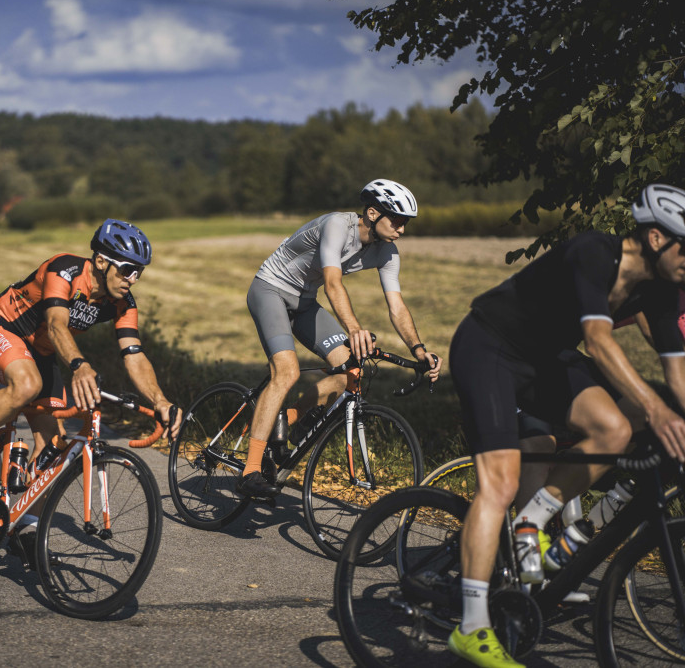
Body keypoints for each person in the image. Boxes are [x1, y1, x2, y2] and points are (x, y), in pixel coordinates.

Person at [447, 183, 685, 667]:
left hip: (543, 359)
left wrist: (667, 409)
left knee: (617, 429)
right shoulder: (594, 250)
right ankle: (471, 628)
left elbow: (677, 376)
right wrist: (659, 411)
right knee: (500, 483)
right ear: (657, 238)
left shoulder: (662, 292)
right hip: (488, 346)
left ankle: (532, 522)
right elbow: (597, 340)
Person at [0, 219, 182, 557]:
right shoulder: (66, 270)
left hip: (42, 353)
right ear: (101, 261)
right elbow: (57, 324)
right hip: (5, 329)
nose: (133, 279)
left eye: (139, 272)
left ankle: (25, 526)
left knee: (54, 449)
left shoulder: (122, 303)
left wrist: (161, 401)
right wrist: (79, 365)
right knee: (28, 384)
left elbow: (134, 355)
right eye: (128, 269)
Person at [238, 179, 442, 498]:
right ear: (373, 213)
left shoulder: (388, 252)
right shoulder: (337, 225)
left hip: (303, 301)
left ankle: (285, 421)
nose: (402, 229)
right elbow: (332, 284)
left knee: (349, 370)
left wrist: (419, 350)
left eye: (407, 223)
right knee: (287, 370)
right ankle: (249, 471)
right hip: (270, 290)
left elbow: (396, 305)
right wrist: (354, 328)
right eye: (398, 220)